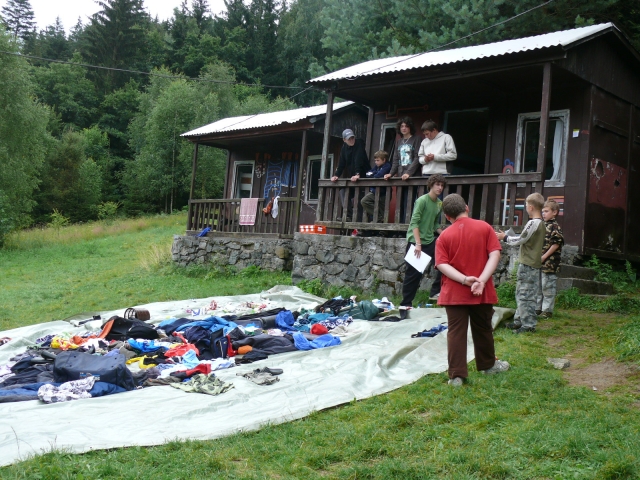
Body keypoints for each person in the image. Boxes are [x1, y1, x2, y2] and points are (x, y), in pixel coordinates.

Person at [435, 193, 509, 387]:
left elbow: (442, 264)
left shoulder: (444, 236)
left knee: (456, 332)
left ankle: (456, 376)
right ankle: (488, 365)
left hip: (454, 292)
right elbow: (495, 254)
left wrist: (465, 280)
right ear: (466, 208)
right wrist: (481, 281)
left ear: (447, 217)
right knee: (483, 328)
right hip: (481, 291)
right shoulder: (484, 227)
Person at [496, 192, 546, 334]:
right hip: (531, 263)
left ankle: (528, 325)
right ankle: (519, 320)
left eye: (526, 205)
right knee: (521, 293)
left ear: (531, 207)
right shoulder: (541, 223)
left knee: (526, 295)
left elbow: (521, 239)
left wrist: (505, 237)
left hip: (528, 264)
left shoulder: (533, 223)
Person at [400, 174, 447, 311]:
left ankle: (434, 292)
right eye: (437, 184)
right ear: (431, 185)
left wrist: (445, 235)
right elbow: (414, 223)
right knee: (413, 275)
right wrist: (418, 244)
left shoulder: (439, 203)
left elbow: (435, 224)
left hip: (430, 241)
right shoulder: (422, 201)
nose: (440, 188)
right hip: (416, 242)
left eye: (442, 185)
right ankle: (405, 304)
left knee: (444, 264)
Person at [384, 117, 422, 222]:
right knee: (399, 203)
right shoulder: (399, 141)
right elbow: (396, 160)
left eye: (406, 126)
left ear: (410, 127)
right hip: (400, 176)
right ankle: (399, 226)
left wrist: (409, 173)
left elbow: (417, 158)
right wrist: (391, 173)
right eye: (402, 126)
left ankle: (408, 226)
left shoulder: (416, 139)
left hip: (412, 177)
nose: (404, 128)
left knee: (409, 203)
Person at [331, 129, 370, 222]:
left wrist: (357, 174)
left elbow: (358, 159)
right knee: (343, 191)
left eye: (352, 138)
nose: (352, 140)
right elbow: (341, 163)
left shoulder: (359, 144)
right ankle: (349, 216)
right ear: (344, 140)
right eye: (349, 139)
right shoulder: (344, 148)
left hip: (364, 177)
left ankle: (361, 223)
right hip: (353, 178)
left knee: (361, 200)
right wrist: (336, 175)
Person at [537, 199, 564, 319]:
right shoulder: (542, 225)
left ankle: (547, 310)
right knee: (538, 286)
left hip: (550, 263)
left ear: (554, 212)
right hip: (539, 262)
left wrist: (544, 256)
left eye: (546, 211)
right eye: (542, 211)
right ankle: (537, 308)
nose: (543, 214)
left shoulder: (554, 226)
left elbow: (556, 243)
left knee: (547, 286)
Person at [361, 150, 391, 224]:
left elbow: (378, 175)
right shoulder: (377, 167)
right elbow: (367, 174)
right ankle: (379, 218)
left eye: (378, 160)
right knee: (364, 201)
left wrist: (373, 174)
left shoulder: (387, 166)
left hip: (384, 192)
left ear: (384, 160)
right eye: (375, 160)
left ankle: (381, 226)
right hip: (375, 191)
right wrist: (374, 174)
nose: (376, 162)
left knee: (383, 209)